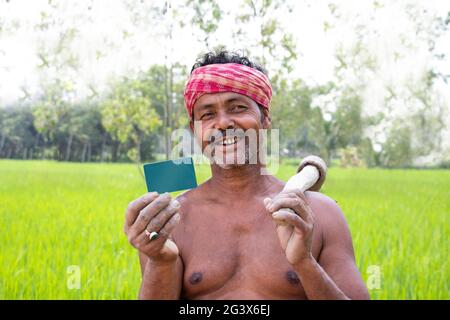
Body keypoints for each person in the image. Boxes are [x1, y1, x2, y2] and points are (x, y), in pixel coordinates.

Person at [124, 50, 370, 300]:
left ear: (265, 119)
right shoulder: (170, 221)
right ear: (194, 129)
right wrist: (161, 262)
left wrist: (304, 263)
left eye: (238, 108)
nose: (222, 124)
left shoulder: (320, 214)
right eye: (207, 114)